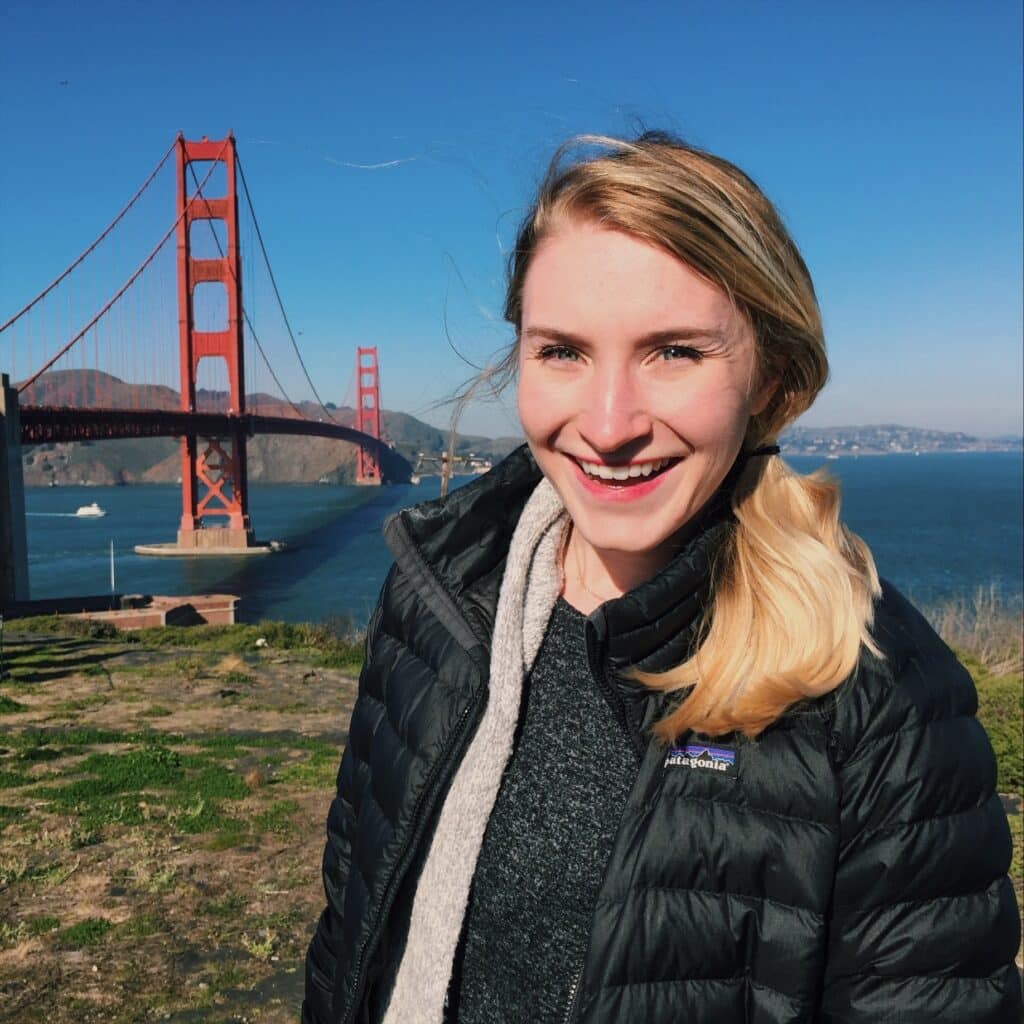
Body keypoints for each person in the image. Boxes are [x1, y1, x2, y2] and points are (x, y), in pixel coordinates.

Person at [303, 132, 1021, 1024]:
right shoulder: (437, 592)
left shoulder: (880, 702)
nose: (608, 426)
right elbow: (352, 930)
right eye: (562, 350)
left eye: (674, 351)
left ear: (771, 376)